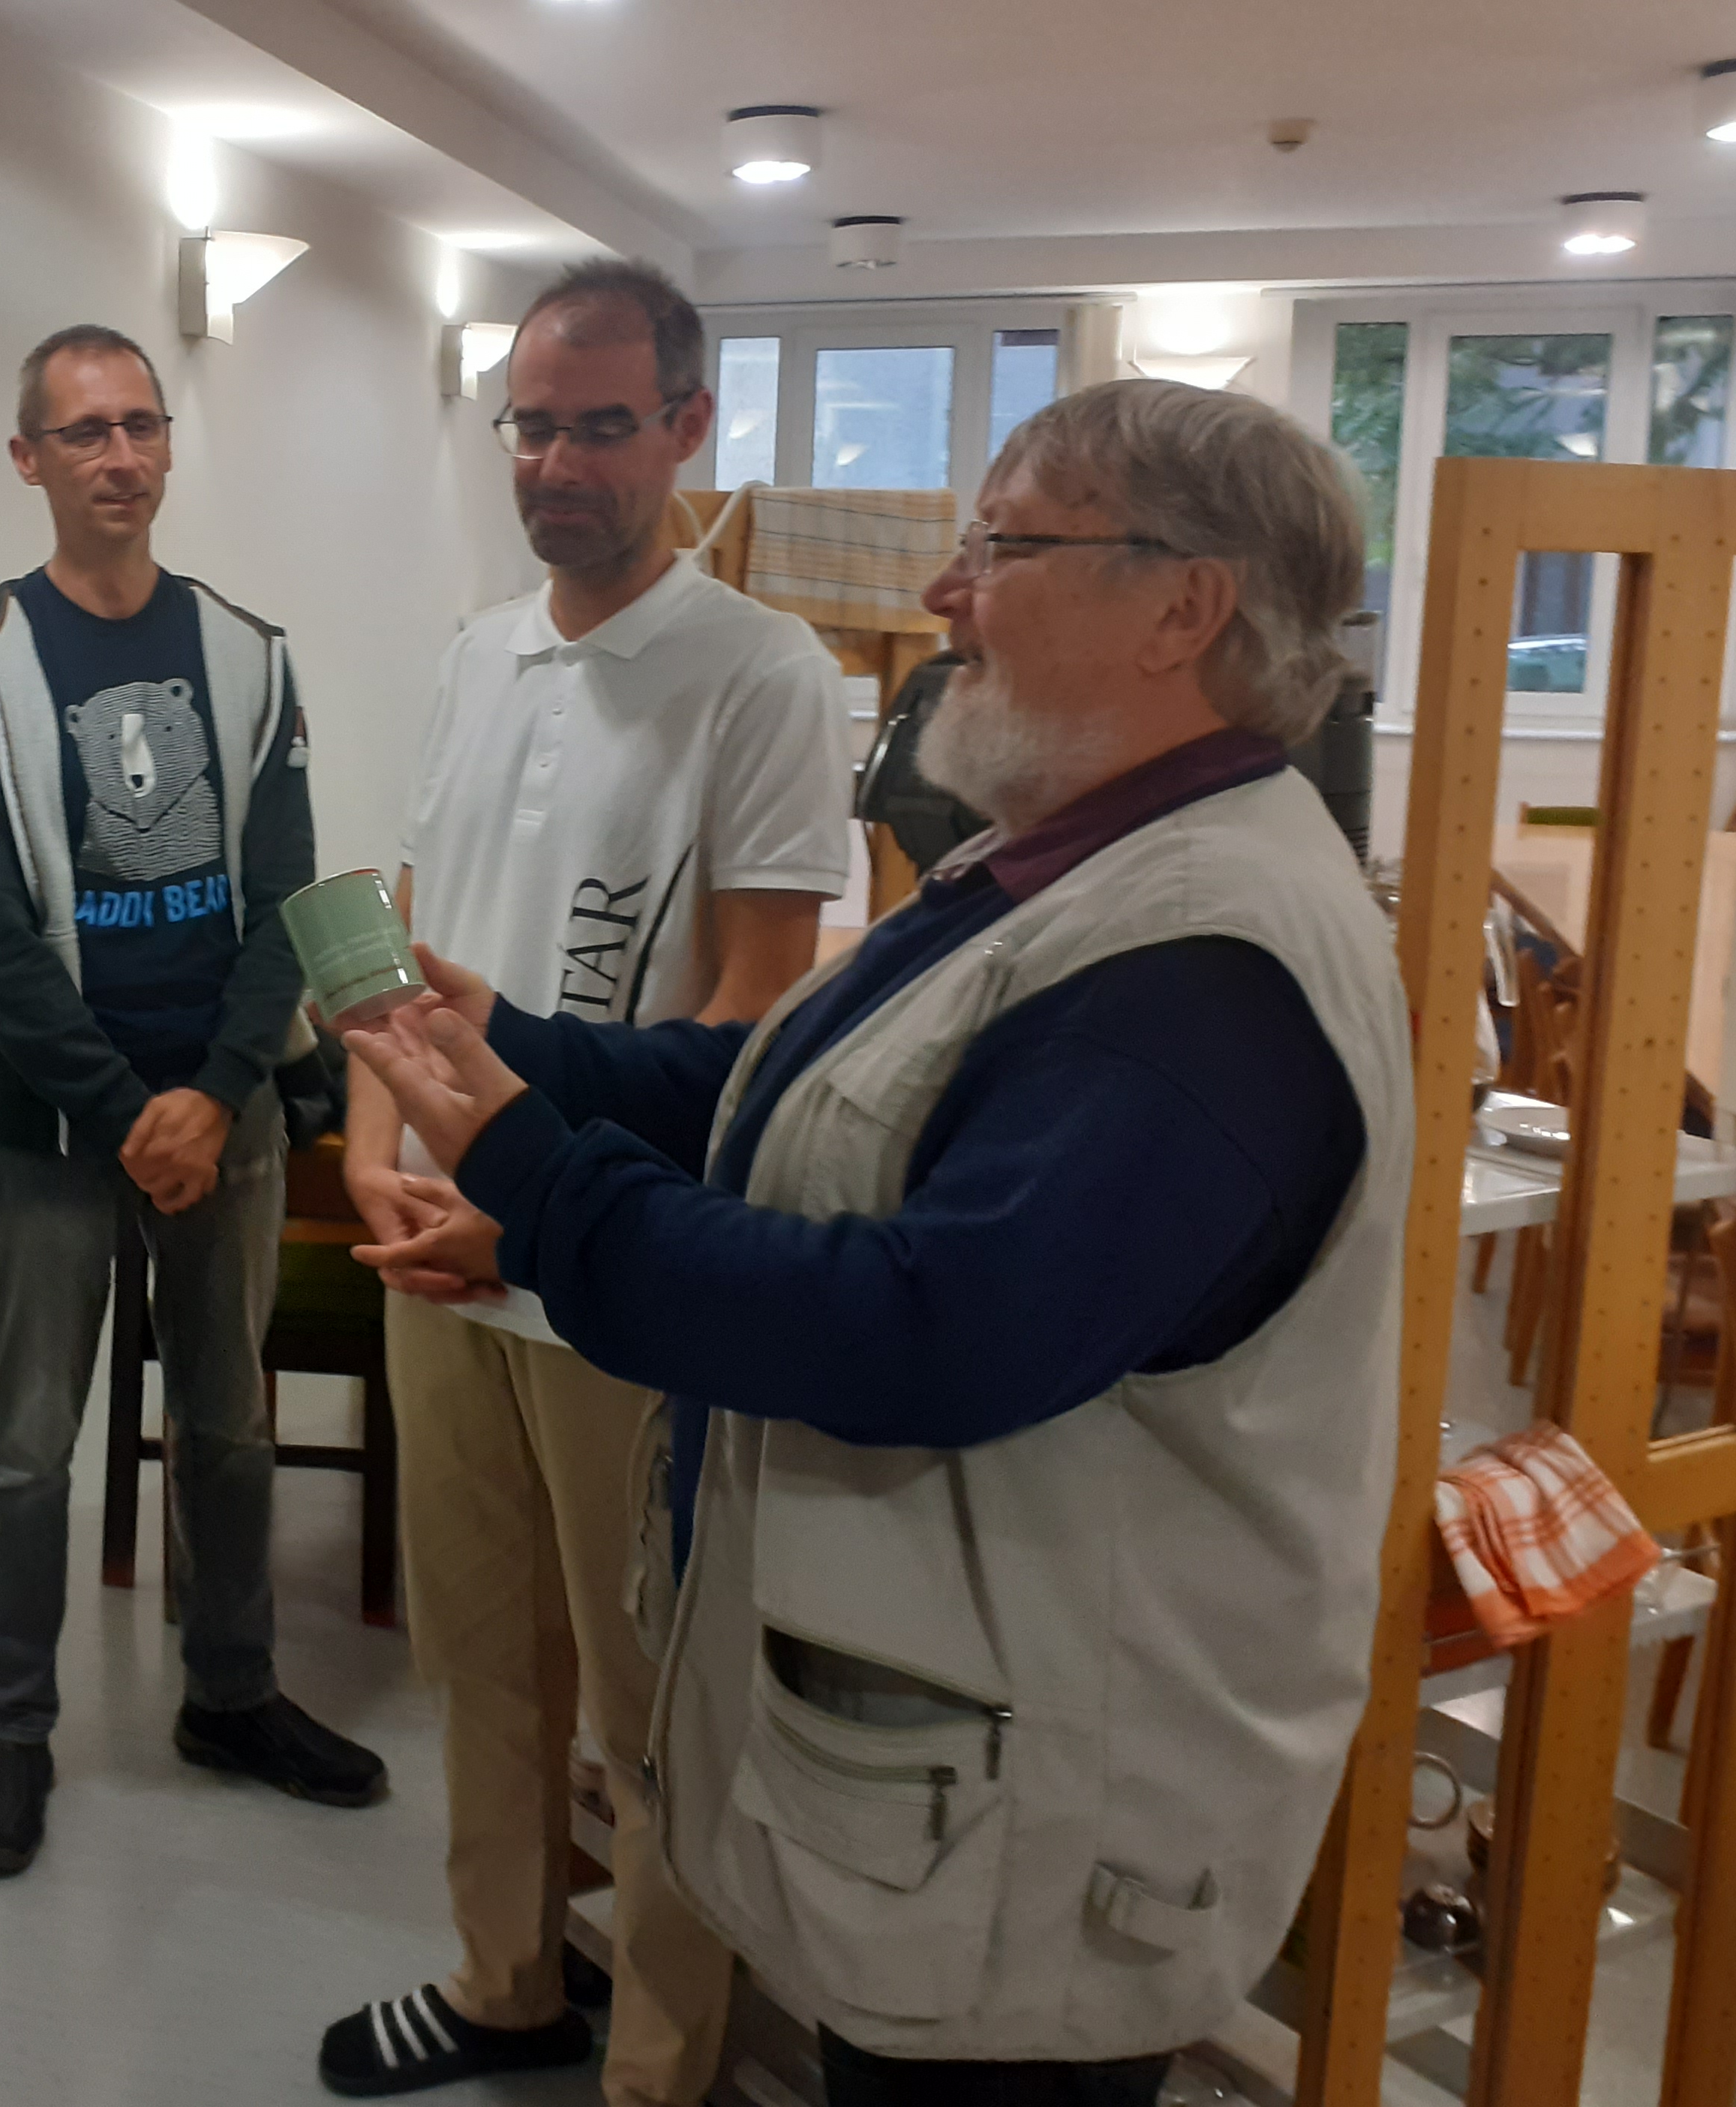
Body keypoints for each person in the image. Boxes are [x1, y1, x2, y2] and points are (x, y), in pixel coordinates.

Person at [350, 377, 1412, 2107]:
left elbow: (919, 1332)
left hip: (1058, 1825)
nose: (944, 594)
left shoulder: (1201, 971)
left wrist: (537, 1174)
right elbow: (803, 1087)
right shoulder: (1064, 867)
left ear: (1184, 605)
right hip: (974, 1774)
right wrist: (527, 1051)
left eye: (1003, 548)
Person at [318, 259, 848, 2105]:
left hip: (617, 1264)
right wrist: (372, 1157)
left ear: (688, 428)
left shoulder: (761, 675)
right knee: (480, 1658)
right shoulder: (476, 656)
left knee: (648, 1697)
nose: (556, 465)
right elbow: (399, 950)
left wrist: (538, 1201)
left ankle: (663, 2066)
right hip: (438, 1250)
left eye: (601, 427)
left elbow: (755, 1014)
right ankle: (505, 1983)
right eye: (531, 427)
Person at [0, 323, 387, 1878]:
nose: (119, 456)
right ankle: (12, 1728)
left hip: (223, 1114)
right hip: (50, 1130)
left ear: (169, 445)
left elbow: (284, 895)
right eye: (84, 432)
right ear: (28, 460)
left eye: (141, 424)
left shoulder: (247, 653)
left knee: (230, 1426)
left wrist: (220, 1090)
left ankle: (231, 1696)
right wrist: (131, 1109)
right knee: (27, 1449)